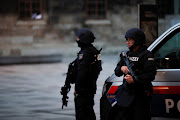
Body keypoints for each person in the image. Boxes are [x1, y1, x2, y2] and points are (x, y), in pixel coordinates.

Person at [109, 28, 156, 120]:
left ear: (137, 40)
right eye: (127, 40)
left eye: (130, 40)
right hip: (126, 95)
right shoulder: (126, 55)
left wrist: (134, 80)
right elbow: (117, 72)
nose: (127, 42)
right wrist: (122, 68)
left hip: (140, 95)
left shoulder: (146, 55)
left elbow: (151, 75)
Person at [74, 28, 102, 120]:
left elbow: (82, 73)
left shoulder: (85, 53)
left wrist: (77, 88)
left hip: (83, 89)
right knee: (89, 111)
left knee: (82, 113)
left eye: (78, 38)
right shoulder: (94, 51)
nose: (77, 40)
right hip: (91, 86)